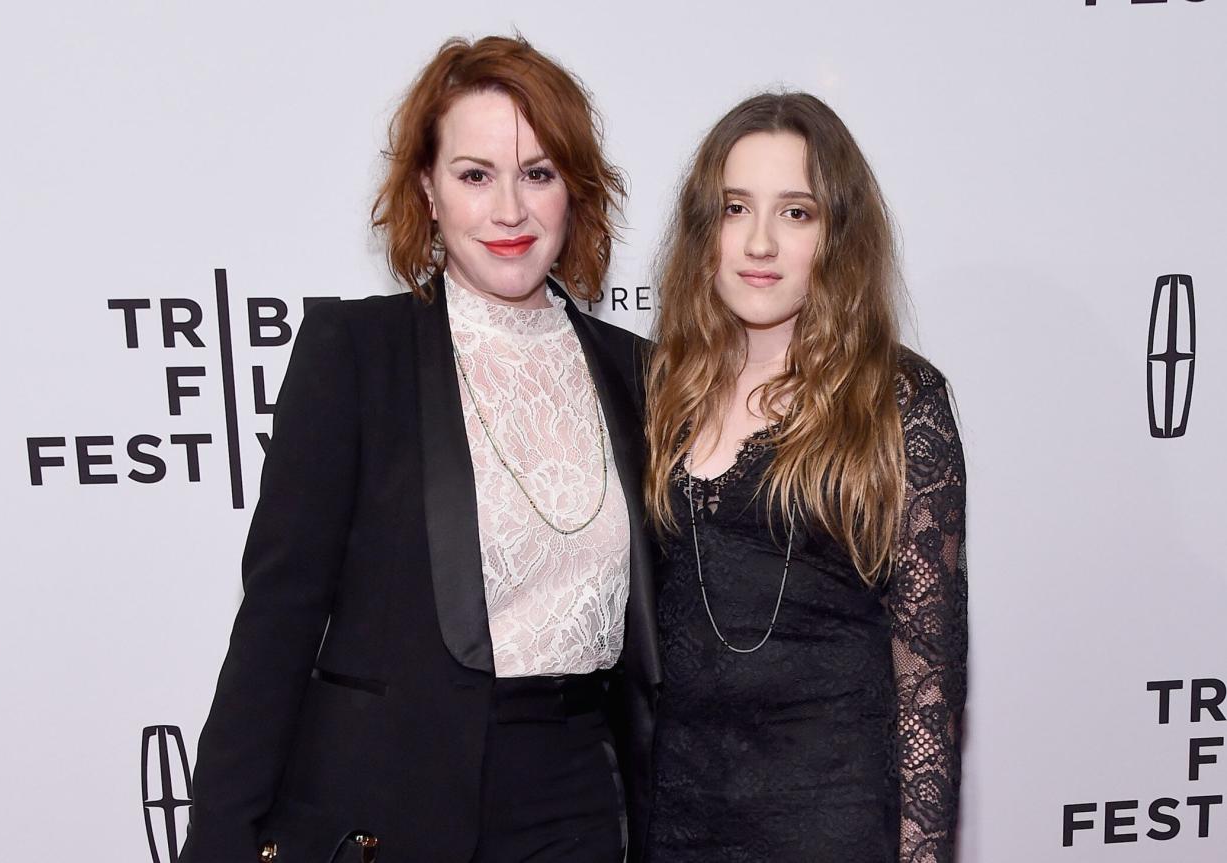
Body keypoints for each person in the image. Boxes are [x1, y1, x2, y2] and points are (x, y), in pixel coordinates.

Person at [179, 35, 659, 863]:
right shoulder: (356, 354)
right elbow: (277, 621)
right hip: (393, 805)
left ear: (573, 192)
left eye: (537, 173)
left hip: (579, 800)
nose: (509, 209)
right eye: (476, 175)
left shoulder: (636, 373)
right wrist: (218, 840)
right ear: (428, 191)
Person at [642, 92, 967, 863]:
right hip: (675, 814)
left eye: (796, 213)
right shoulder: (660, 388)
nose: (759, 241)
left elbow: (928, 672)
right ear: (704, 229)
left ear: (837, 234)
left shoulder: (897, 400)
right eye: (734, 208)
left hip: (826, 817)